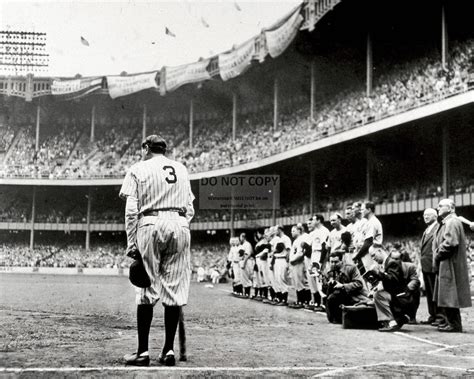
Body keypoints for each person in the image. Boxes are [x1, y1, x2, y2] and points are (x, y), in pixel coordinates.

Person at [120, 135, 195, 367]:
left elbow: (131, 210)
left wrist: (132, 242)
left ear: (145, 148)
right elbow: (190, 208)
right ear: (165, 149)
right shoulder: (181, 169)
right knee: (174, 291)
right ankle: (168, 351)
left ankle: (143, 353)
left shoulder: (138, 168)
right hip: (180, 224)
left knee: (146, 290)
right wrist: (179, 224)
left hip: (150, 223)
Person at [432, 199, 472, 333]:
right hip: (447, 261)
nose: (438, 208)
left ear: (451, 208)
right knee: (447, 293)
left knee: (449, 294)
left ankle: (454, 324)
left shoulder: (452, 222)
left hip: (449, 261)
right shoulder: (449, 221)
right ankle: (451, 322)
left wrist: (437, 253)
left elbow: (450, 243)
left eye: (440, 206)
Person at [368, 245, 420, 332]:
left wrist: (378, 273)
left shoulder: (392, 263)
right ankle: (400, 318)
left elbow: (392, 280)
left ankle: (392, 321)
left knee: (379, 295)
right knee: (377, 294)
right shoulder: (385, 264)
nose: (373, 258)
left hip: (401, 297)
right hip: (398, 296)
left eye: (374, 255)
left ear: (380, 251)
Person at [323, 251, 369, 324]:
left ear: (341, 261)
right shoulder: (329, 271)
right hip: (340, 296)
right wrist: (327, 284)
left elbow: (359, 283)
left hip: (355, 295)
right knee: (331, 318)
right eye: (331, 262)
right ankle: (338, 316)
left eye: (336, 262)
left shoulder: (351, 268)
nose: (333, 264)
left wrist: (343, 286)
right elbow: (325, 289)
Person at [418, 208, 443, 325]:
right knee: (429, 292)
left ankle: (439, 316)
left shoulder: (438, 228)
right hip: (425, 265)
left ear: (435, 216)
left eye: (428, 215)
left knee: (435, 291)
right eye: (424, 215)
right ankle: (432, 315)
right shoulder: (427, 230)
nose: (425, 217)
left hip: (433, 265)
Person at [353, 201, 383, 272]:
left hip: (373, 254)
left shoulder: (372, 222)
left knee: (375, 278)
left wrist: (357, 256)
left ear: (369, 210)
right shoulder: (369, 222)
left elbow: (368, 242)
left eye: (363, 209)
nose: (361, 212)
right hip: (369, 254)